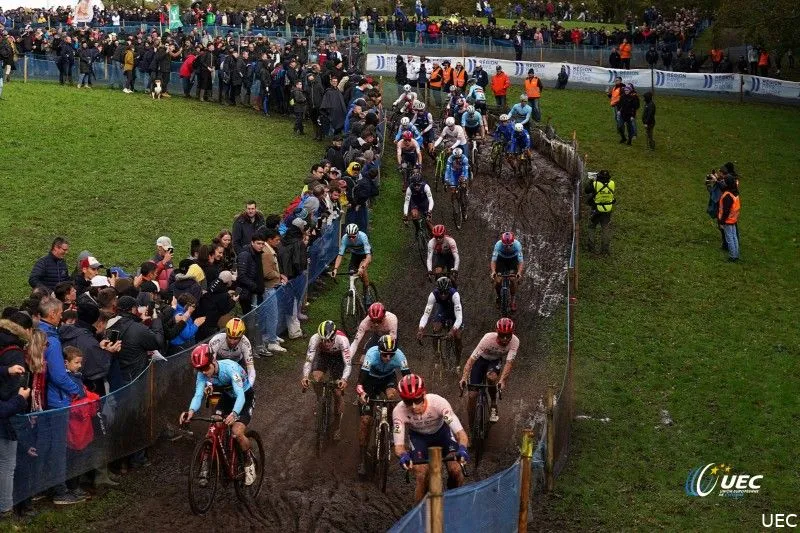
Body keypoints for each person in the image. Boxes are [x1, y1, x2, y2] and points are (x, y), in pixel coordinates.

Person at [179, 344, 256, 486]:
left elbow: (240, 396)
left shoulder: (230, 369)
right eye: (200, 369)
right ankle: (208, 463)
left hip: (244, 397)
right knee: (214, 426)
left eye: (206, 368)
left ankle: (248, 461)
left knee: (236, 431)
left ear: (213, 361)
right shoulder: (202, 373)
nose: (204, 373)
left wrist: (234, 414)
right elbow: (198, 395)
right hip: (226, 397)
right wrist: (190, 411)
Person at [39, 296, 86, 504]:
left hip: (41, 400)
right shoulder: (52, 340)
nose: (61, 317)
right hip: (56, 401)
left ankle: (43, 487)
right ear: (51, 315)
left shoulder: (35, 333)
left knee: (45, 445)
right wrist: (76, 389)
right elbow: (58, 375)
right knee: (58, 447)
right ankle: (58, 490)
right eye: (59, 313)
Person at [393, 374, 469, 503]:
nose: (413, 406)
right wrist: (403, 456)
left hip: (442, 434)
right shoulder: (399, 411)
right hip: (419, 438)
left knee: (456, 470)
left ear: (424, 394)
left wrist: (462, 448)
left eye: (417, 400)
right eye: (407, 402)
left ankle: (455, 502)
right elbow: (399, 447)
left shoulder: (438, 403)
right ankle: (419, 515)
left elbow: (460, 434)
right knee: (421, 474)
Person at [355, 334, 410, 476]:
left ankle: (391, 429)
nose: (388, 358)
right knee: (365, 421)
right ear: (379, 352)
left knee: (392, 396)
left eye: (391, 355)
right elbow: (360, 383)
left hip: (388, 379)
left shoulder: (399, 356)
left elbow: (408, 380)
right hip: (370, 381)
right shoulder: (371, 355)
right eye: (385, 355)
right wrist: (362, 394)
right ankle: (361, 460)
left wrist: (409, 397)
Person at [459, 318, 519, 425]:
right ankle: (471, 424)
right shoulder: (487, 339)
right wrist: (464, 377)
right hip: (480, 360)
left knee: (492, 377)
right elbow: (471, 360)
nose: (505, 339)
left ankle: (493, 404)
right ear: (497, 332)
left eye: (508, 335)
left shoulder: (515, 341)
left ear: (512, 333)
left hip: (495, 361)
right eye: (501, 335)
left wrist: (502, 381)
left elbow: (509, 363)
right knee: (472, 395)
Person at [301, 321, 352, 441]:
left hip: (338, 358)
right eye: (323, 340)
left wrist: (344, 379)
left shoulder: (343, 340)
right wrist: (305, 376)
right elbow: (309, 360)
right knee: (316, 377)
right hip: (323, 356)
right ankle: (320, 400)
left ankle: (337, 425)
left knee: (338, 393)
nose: (326, 343)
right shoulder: (314, 339)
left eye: (329, 340)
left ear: (334, 336)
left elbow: (348, 364)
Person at [416, 277, 464, 368]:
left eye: (445, 292)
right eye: (441, 292)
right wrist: (421, 329)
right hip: (443, 310)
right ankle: (437, 355)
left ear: (449, 290)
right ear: (438, 290)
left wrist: (452, 331)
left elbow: (459, 318)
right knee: (436, 328)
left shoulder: (455, 295)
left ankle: (458, 361)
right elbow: (426, 315)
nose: (442, 295)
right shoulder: (433, 295)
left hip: (454, 311)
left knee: (457, 335)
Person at [208, 318, 256, 386]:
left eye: (236, 338)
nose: (232, 342)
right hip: (219, 364)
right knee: (216, 387)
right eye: (230, 337)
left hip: (237, 364)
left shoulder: (245, 343)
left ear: (242, 336)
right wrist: (209, 384)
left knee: (240, 385)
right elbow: (209, 366)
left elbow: (251, 368)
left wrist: (249, 387)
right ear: (226, 334)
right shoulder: (216, 341)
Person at [330, 223, 373, 291]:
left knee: (362, 270)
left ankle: (367, 291)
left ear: (357, 234)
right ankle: (352, 290)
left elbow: (368, 257)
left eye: (353, 237)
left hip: (365, 254)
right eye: (349, 236)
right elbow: (340, 255)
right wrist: (335, 269)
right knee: (351, 272)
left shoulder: (363, 237)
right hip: (355, 254)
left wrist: (362, 267)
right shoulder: (344, 238)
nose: (351, 239)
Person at [490, 232, 524, 311]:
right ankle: (499, 296)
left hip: (513, 261)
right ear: (502, 243)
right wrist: (493, 271)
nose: (508, 247)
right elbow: (493, 261)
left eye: (510, 245)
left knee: (512, 279)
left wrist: (519, 272)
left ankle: (513, 299)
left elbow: (520, 262)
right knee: (498, 281)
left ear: (513, 243)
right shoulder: (498, 245)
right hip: (501, 261)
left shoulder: (517, 245)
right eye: (505, 246)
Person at [584, 170, 616, 254]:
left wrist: (591, 181)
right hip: (608, 210)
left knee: (591, 227)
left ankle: (591, 247)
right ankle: (605, 249)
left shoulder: (595, 184)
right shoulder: (612, 183)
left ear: (598, 177)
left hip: (596, 210)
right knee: (605, 229)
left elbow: (586, 190)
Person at [717, 175, 740, 262]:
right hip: (733, 219)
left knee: (729, 238)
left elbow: (726, 211)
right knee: (734, 237)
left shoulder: (727, 196)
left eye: (724, 181)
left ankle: (732, 256)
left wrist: (722, 221)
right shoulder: (735, 192)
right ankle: (736, 254)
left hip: (728, 220)